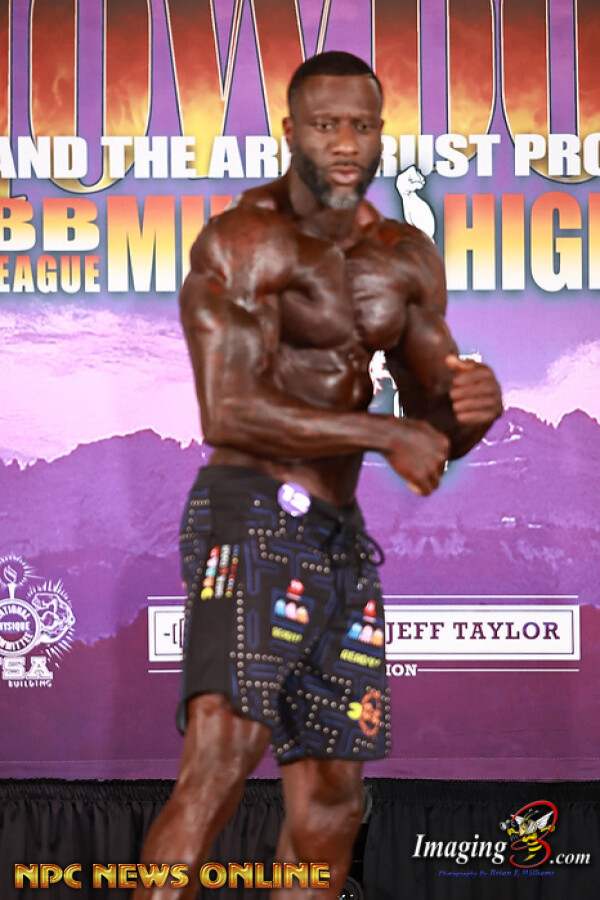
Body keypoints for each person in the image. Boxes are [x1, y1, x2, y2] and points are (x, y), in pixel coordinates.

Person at [134, 51, 502, 898]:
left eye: (362, 126)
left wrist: (470, 413)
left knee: (333, 801)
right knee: (220, 761)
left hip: (339, 537)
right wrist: (384, 433)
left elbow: (430, 432)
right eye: (326, 124)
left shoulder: (403, 257)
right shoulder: (244, 240)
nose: (345, 142)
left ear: (381, 134)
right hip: (248, 514)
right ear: (290, 130)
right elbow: (228, 410)